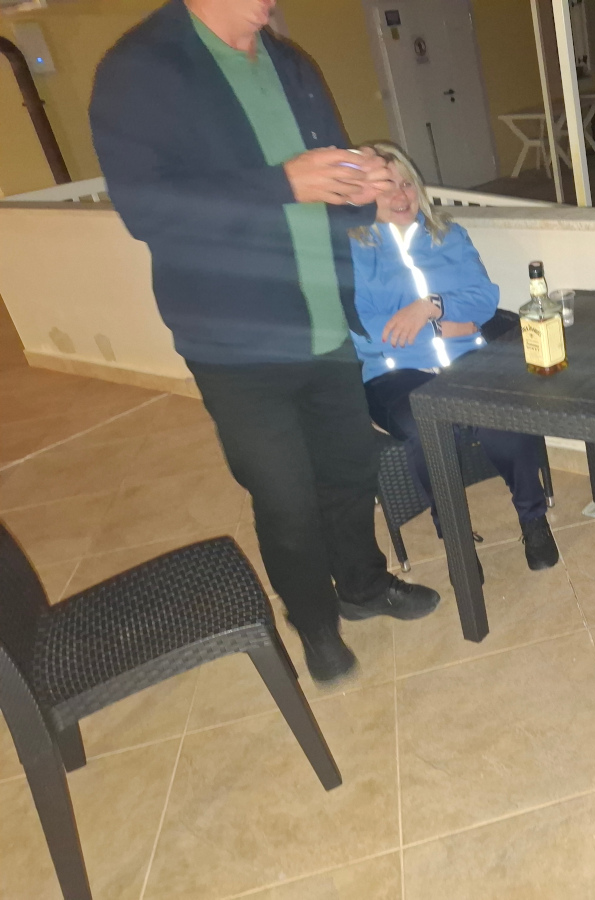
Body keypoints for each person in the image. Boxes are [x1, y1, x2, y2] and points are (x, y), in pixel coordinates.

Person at [89, 0, 440, 685]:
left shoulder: (292, 64)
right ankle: (315, 624)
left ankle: (363, 587)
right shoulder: (141, 68)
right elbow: (146, 208)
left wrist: (362, 187)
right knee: (286, 498)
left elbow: (330, 188)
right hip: (235, 340)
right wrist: (282, 182)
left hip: (326, 322)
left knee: (349, 473)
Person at [349, 143, 559, 572]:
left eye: (407, 183)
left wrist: (430, 307)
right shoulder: (352, 250)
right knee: (427, 425)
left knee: (505, 416)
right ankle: (454, 533)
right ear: (364, 196)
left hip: (466, 359)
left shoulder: (449, 235)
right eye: (386, 187)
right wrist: (441, 327)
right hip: (394, 372)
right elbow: (367, 326)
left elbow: (484, 299)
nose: (401, 195)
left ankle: (533, 519)